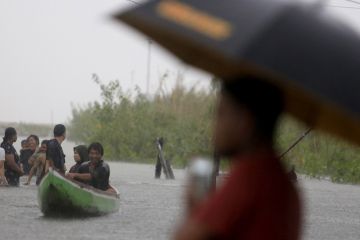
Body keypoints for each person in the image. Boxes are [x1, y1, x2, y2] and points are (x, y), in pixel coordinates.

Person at [174, 76, 301, 240]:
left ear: (244, 121)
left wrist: (194, 209)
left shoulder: (251, 177)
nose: (215, 126)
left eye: (221, 114)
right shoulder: (283, 183)